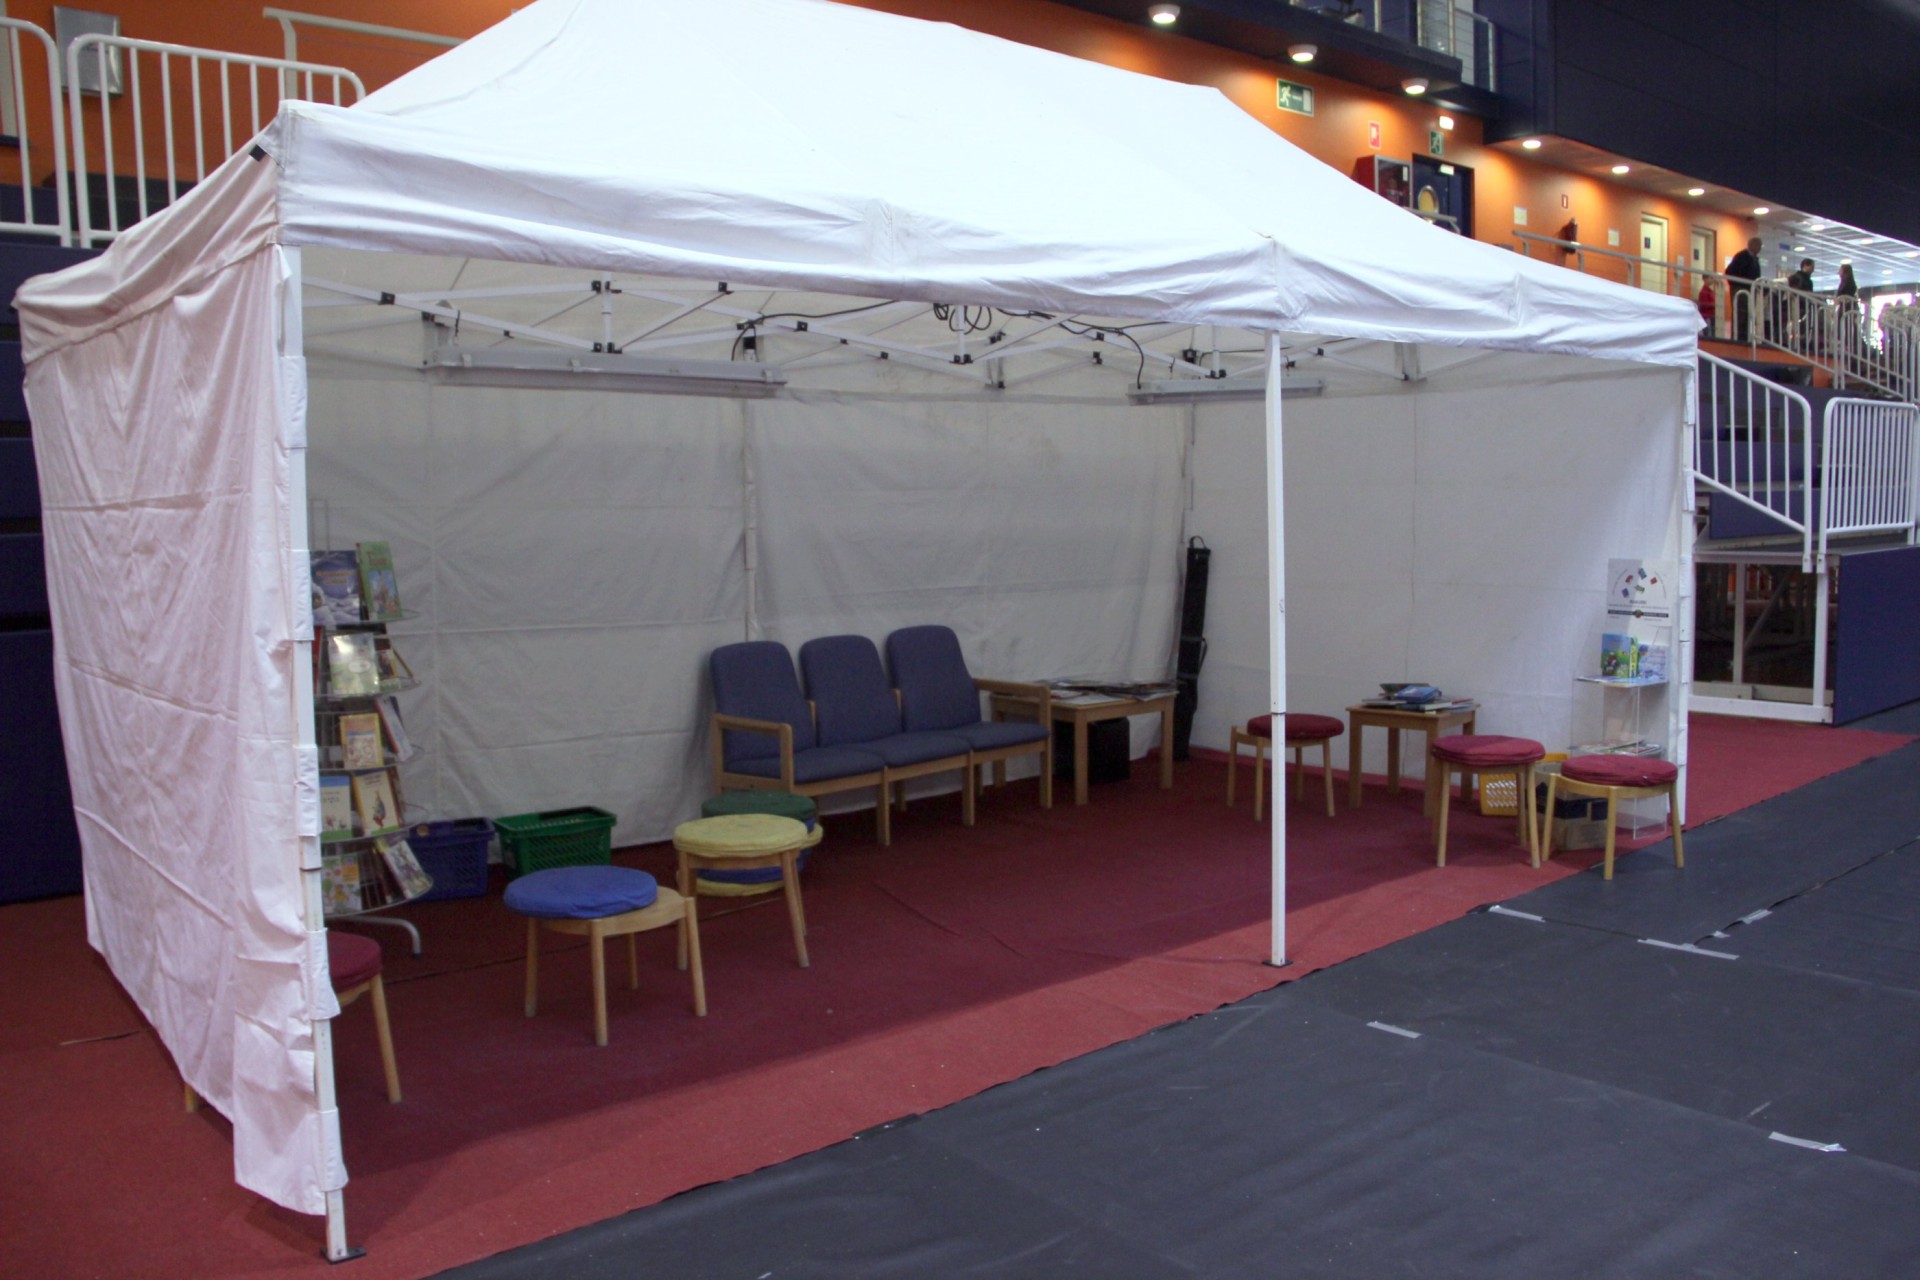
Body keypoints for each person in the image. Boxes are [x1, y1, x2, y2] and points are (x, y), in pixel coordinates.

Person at [1726, 237, 1763, 342]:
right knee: (1740, 317)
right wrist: (1738, 286)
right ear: (1752, 245)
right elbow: (1729, 272)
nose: (1760, 249)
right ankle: (1738, 339)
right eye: (1759, 246)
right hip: (1741, 291)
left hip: (1749, 292)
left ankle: (1744, 339)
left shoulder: (1754, 259)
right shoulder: (1742, 257)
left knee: (1747, 317)